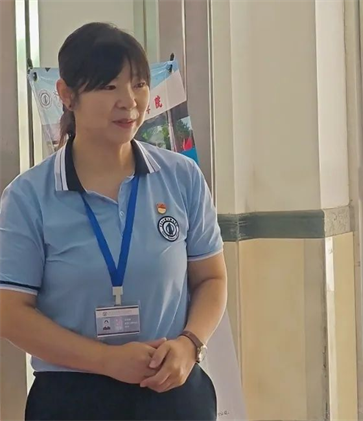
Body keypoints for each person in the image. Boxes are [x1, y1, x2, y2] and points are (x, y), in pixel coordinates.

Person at [0, 22, 227, 421]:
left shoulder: (181, 177)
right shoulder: (29, 196)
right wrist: (105, 360)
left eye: (139, 84)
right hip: (72, 397)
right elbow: (10, 310)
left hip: (171, 389)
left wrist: (190, 344)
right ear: (67, 95)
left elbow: (211, 278)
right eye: (108, 87)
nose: (130, 101)